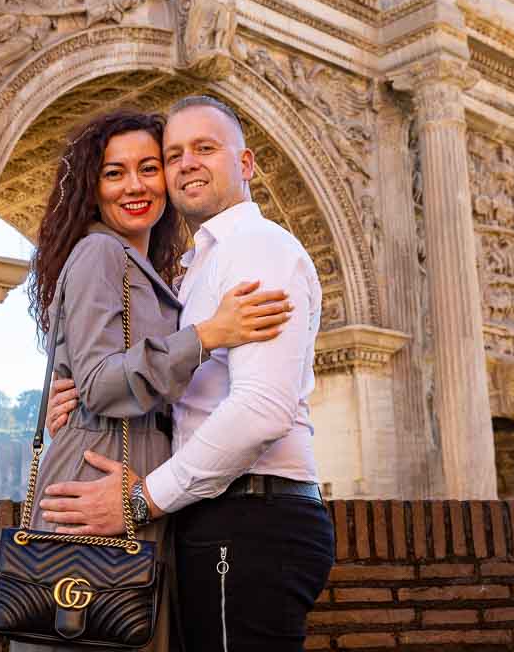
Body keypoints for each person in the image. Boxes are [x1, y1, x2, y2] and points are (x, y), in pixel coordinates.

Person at [40, 95, 335, 650]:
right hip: (204, 515)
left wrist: (142, 498)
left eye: (204, 148)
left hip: (246, 515)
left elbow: (260, 411)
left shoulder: (255, 247)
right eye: (173, 155)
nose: (184, 165)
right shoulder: (185, 269)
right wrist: (78, 397)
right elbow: (118, 371)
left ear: (245, 165)